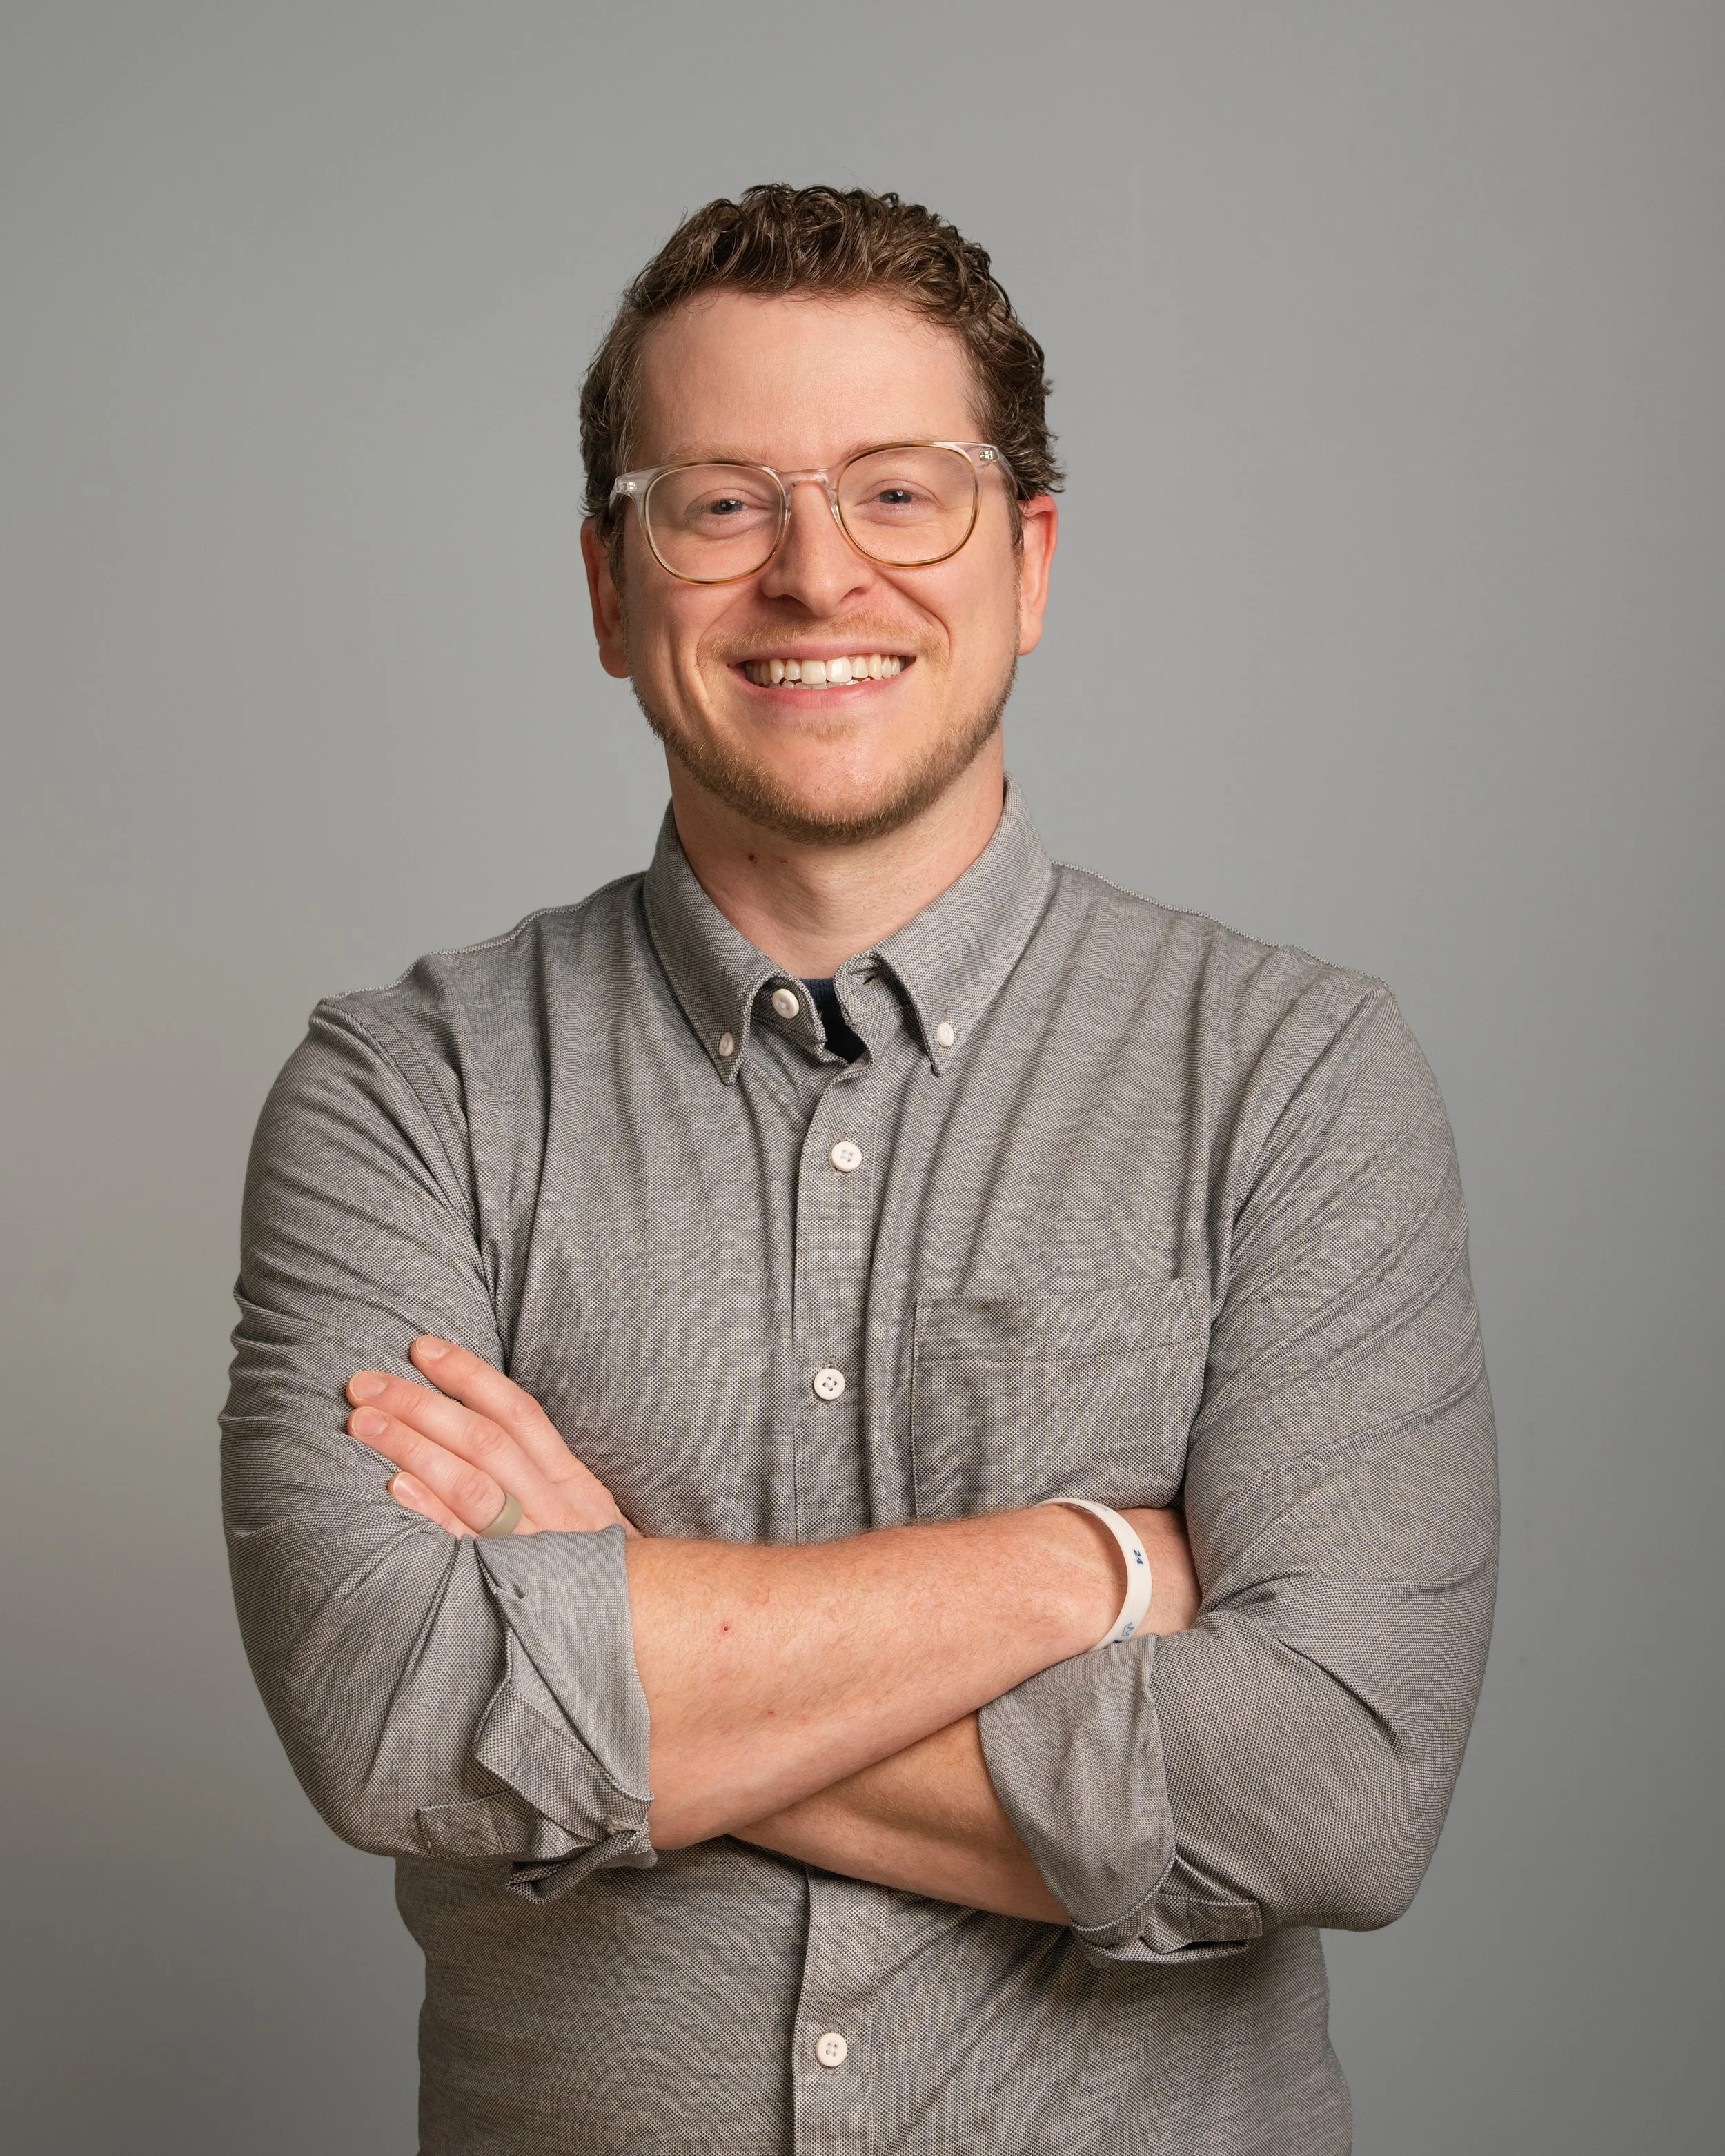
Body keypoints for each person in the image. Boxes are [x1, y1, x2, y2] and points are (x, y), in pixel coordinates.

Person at [222, 183, 1498, 2155]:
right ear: (607, 583)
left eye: (902, 493)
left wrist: (612, 1624)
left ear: (1029, 559)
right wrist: (1083, 1567)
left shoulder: (1295, 1076)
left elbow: (1334, 1785)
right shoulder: (411, 1088)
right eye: (721, 502)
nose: (818, 577)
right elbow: (389, 1704)